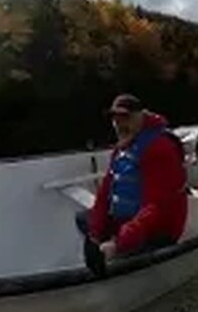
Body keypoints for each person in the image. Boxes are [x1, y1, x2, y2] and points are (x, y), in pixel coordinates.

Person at [75, 94, 189, 275]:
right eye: (115, 118)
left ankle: (123, 264)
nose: (119, 124)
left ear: (140, 117)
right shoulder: (123, 147)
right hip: (129, 220)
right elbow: (105, 194)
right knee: (84, 219)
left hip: (159, 228)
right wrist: (96, 236)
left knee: (123, 248)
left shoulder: (159, 148)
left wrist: (118, 244)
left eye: (125, 117)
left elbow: (156, 208)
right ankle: (107, 254)